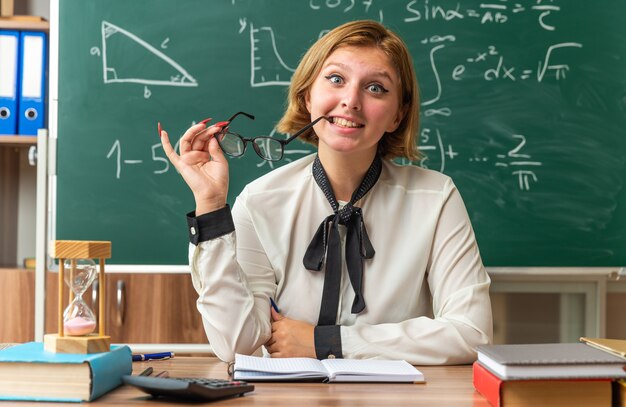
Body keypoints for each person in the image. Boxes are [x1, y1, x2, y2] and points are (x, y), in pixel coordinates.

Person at [160, 20, 492, 364]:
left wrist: (330, 342)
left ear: (397, 115)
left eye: (376, 88)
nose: (350, 101)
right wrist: (211, 208)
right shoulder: (260, 200)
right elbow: (236, 344)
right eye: (336, 79)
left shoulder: (436, 197)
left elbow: (471, 334)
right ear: (308, 96)